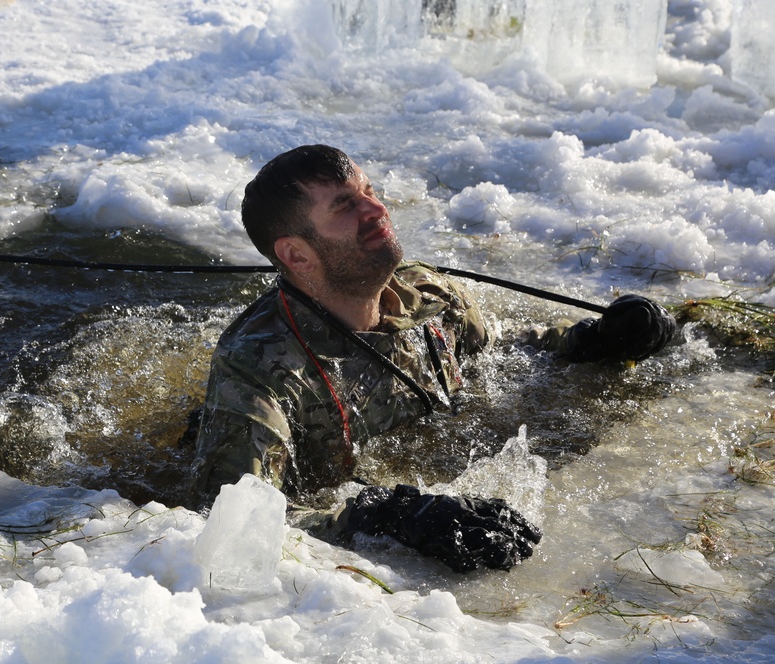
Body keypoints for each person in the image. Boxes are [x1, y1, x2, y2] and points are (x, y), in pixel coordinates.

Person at [191, 145, 675, 572]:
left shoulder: (430, 294)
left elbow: (502, 354)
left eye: (369, 190)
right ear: (296, 256)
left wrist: (592, 341)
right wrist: (387, 515)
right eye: (345, 206)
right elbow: (231, 522)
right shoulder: (255, 368)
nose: (377, 209)